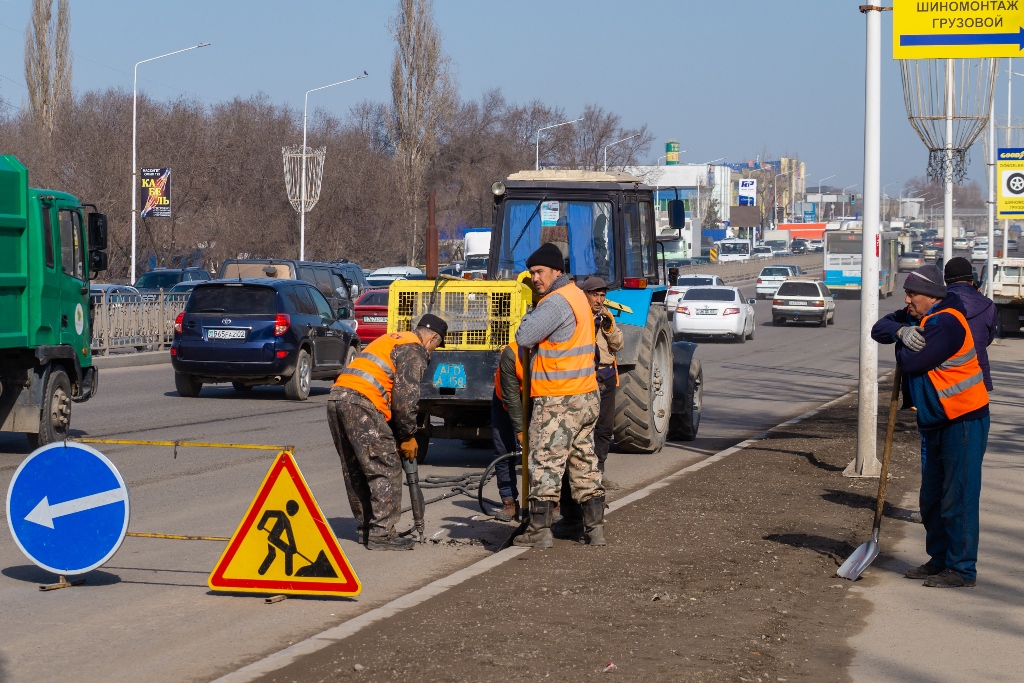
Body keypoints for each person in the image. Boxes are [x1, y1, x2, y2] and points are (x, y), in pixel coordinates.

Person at [871, 265, 989, 587]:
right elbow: (878, 327)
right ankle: (940, 560)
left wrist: (900, 341)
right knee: (932, 499)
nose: (906, 299)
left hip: (962, 420)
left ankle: (962, 569)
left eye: (912, 294)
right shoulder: (921, 317)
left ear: (932, 296)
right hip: (936, 421)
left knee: (958, 498)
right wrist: (899, 332)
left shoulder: (947, 323)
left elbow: (911, 362)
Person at [327, 314, 448, 550]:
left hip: (336, 399)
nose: (432, 352)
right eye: (436, 345)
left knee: (356, 468)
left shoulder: (391, 339)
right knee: (386, 466)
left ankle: (366, 528)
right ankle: (381, 533)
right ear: (433, 337)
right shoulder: (414, 349)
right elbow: (405, 401)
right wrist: (407, 436)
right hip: (361, 402)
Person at [513, 242, 604, 548]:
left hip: (558, 398)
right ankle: (594, 530)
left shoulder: (554, 302)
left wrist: (528, 315)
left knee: (545, 463)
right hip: (586, 395)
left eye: (539, 272)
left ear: (556, 270)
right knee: (584, 463)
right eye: (531, 273)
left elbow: (525, 336)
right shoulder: (578, 295)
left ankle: (539, 532)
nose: (535, 278)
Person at [581, 276, 624, 489]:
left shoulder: (606, 317)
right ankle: (583, 476)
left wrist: (609, 329)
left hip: (606, 376)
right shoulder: (579, 317)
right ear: (585, 295)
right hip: (587, 378)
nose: (598, 300)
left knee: (605, 429)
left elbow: (618, 345)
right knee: (584, 430)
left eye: (602, 295)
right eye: (594, 295)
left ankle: (599, 472)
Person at [944, 257, 997, 391]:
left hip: (946, 378)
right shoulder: (988, 305)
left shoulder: (938, 303)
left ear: (946, 281)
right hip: (978, 376)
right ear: (972, 281)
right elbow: (988, 339)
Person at [492, 339, 524, 519]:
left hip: (536, 399)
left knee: (543, 452)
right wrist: (520, 432)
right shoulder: (511, 353)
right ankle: (509, 502)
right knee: (503, 450)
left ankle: (548, 503)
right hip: (505, 400)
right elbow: (511, 399)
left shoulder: (548, 351)